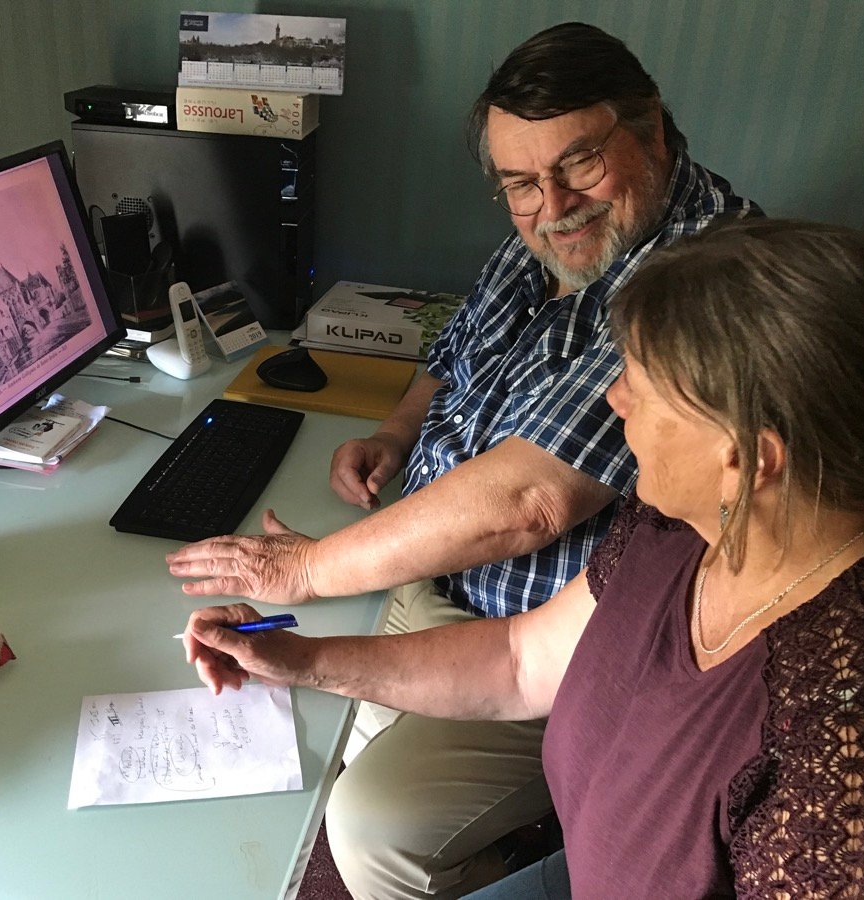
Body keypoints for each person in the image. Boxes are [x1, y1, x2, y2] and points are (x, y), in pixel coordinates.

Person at [181, 219, 864, 898]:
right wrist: (303, 659)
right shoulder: (680, 524)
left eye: (640, 388)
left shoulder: (855, 760)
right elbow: (521, 658)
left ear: (746, 459)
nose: (613, 402)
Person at [167, 22, 757, 898]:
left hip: (540, 639)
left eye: (579, 164)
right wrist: (395, 437)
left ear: (654, 131)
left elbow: (531, 503)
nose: (552, 206)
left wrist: (316, 569)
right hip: (443, 579)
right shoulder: (546, 240)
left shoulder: (692, 281)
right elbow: (454, 359)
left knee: (367, 830)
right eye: (521, 183)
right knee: (259, 725)